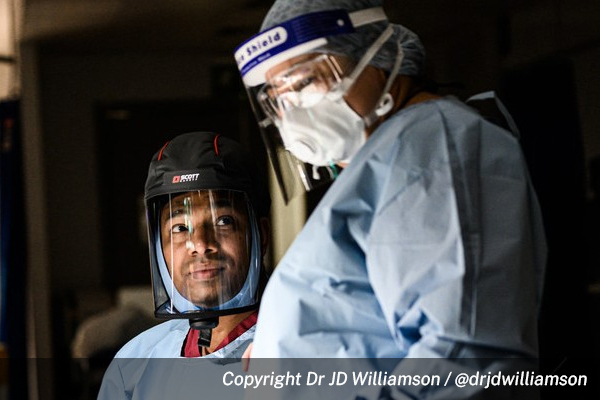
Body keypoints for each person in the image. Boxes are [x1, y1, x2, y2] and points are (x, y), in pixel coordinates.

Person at [235, 0, 547, 397]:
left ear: (377, 59)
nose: (292, 113)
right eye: (279, 98)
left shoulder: (434, 147)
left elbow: (466, 359)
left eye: (304, 82)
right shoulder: (387, 162)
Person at [97, 132, 271, 398]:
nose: (200, 243)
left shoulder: (299, 353)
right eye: (179, 227)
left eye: (223, 221)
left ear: (261, 234)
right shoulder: (134, 364)